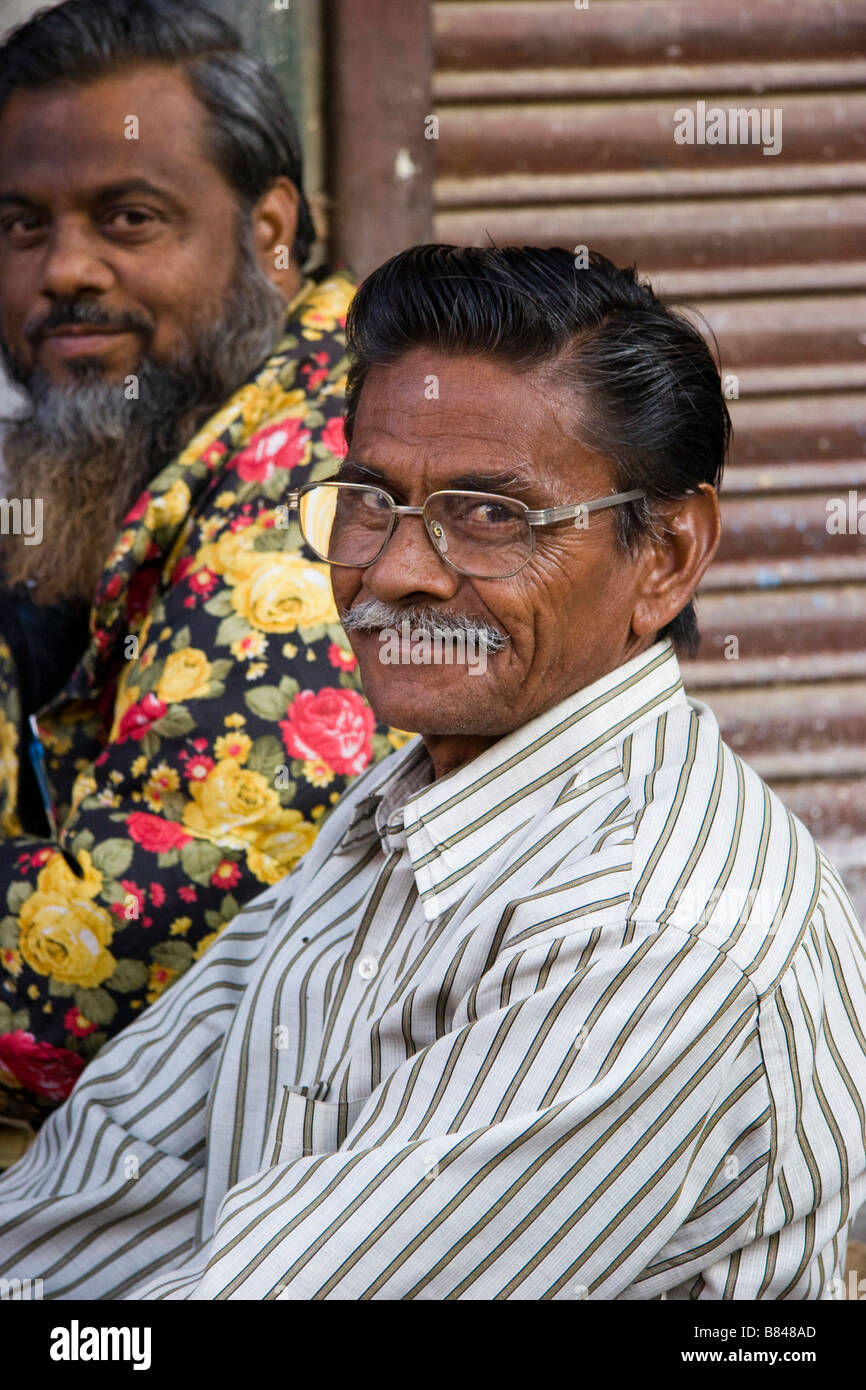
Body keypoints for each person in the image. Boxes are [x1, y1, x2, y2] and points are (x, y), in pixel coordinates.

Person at [1, 244, 864, 1301]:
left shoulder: (661, 929)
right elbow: (116, 1168)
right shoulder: (412, 799)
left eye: (491, 515)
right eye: (369, 497)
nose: (397, 572)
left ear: (667, 556)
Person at [0, 0, 395, 1139]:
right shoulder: (156, 429)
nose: (65, 269)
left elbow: (88, 993)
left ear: (271, 230)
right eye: (21, 227)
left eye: (128, 217)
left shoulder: (324, 478)